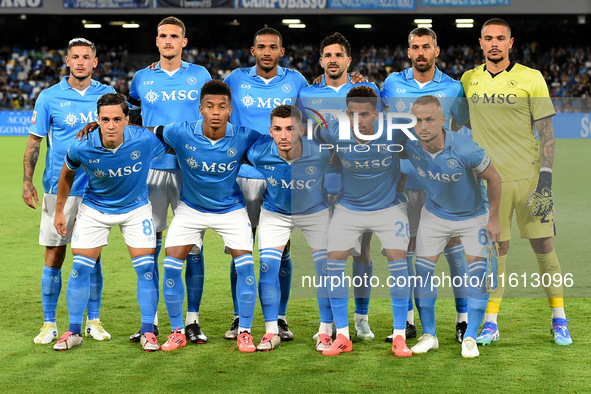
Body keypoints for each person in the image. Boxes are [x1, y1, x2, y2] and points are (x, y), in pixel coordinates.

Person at [461, 18, 572, 346]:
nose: (494, 43)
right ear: (480, 43)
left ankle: (559, 318)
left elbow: (547, 133)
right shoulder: (469, 80)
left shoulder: (531, 78)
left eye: (500, 38)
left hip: (529, 181)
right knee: (496, 251)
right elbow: (456, 120)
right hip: (487, 183)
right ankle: (492, 323)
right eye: (488, 38)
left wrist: (546, 181)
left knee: (544, 246)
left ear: (511, 43)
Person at [52, 93, 167, 352]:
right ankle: (74, 331)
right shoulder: (82, 145)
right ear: (97, 120)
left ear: (128, 120)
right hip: (95, 209)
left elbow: (174, 145)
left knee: (146, 270)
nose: (111, 125)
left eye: (117, 119)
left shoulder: (145, 140)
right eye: (105, 119)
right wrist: (60, 211)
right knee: (80, 269)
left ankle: (148, 332)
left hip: (136, 209)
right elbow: (66, 174)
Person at [153, 80, 262, 353]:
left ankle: (245, 332)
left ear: (230, 110)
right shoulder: (180, 132)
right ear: (200, 108)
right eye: (210, 106)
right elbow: (147, 132)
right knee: (170, 265)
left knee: (246, 267)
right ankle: (177, 331)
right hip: (190, 209)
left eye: (222, 107)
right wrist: (109, 129)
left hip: (231, 209)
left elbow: (280, 143)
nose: (216, 112)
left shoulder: (245, 135)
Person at [381, 27, 471, 343]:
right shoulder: (391, 84)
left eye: (426, 47)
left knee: (453, 250)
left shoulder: (455, 88)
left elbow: (466, 130)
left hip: (444, 185)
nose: (421, 52)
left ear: (437, 51)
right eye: (415, 47)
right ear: (408, 52)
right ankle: (407, 322)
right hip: (402, 184)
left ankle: (462, 322)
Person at [22, 38, 114, 345]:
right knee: (54, 255)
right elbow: (35, 141)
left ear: (94, 62)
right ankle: (49, 323)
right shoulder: (49, 97)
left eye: (86, 57)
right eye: (75, 57)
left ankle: (94, 320)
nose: (80, 62)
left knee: (93, 257)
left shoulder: (106, 96)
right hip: (57, 189)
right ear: (67, 61)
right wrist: (27, 180)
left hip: (96, 189)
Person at [127, 16, 212, 344]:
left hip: (191, 170)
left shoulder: (200, 75)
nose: (167, 41)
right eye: (162, 36)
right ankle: (150, 321)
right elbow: (132, 114)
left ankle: (192, 320)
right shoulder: (141, 78)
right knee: (149, 245)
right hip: (151, 170)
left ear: (183, 42)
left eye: (174, 36)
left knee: (192, 246)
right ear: (157, 41)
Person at [223, 27, 309, 341]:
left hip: (282, 177)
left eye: (273, 47)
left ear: (281, 51)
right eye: (261, 47)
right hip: (244, 175)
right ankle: (238, 317)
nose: (267, 52)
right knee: (240, 250)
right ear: (253, 50)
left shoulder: (296, 80)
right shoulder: (234, 79)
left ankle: (280, 318)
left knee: (281, 250)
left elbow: (312, 114)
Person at [298, 32, 382, 342]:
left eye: (339, 55)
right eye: (327, 55)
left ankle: (361, 318)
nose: (333, 60)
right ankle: (329, 321)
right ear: (320, 61)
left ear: (348, 60)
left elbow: (379, 130)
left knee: (361, 253)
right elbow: (302, 134)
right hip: (320, 182)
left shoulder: (367, 91)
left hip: (357, 180)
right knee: (326, 255)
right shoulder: (306, 95)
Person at [404, 95, 501, 358]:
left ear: (442, 121)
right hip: (434, 215)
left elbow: (494, 178)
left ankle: (469, 337)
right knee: (421, 272)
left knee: (478, 275)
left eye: (429, 120)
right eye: (417, 120)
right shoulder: (410, 144)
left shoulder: (467, 149)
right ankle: (429, 334)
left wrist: (493, 219)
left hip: (473, 217)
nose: (423, 126)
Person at [317, 86, 411, 357]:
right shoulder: (334, 131)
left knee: (398, 259)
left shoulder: (395, 131)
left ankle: (400, 336)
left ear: (377, 113)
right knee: (333, 261)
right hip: (349, 207)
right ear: (346, 114)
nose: (359, 120)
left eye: (365, 114)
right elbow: (313, 137)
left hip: (388, 207)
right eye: (353, 114)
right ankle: (343, 336)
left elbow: (421, 146)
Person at [246, 105, 332, 351]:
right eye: (278, 129)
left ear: (301, 130)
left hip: (315, 213)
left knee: (325, 268)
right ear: (270, 131)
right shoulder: (258, 153)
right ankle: (271, 331)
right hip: (276, 213)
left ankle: (325, 330)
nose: (284, 135)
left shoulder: (321, 153)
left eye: (290, 129)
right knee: (268, 267)